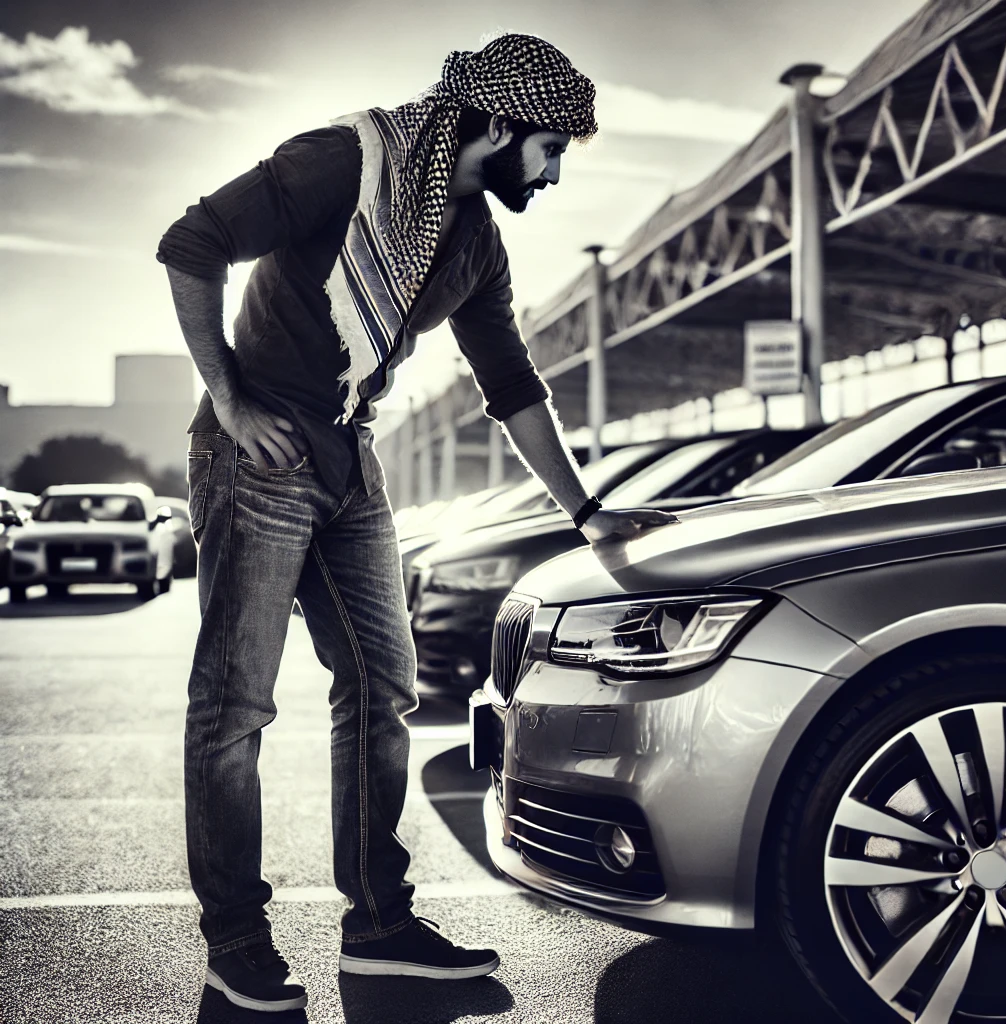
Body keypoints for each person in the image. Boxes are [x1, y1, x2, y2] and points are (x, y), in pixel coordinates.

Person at [158, 32, 675, 1013]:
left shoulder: (476, 240)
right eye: (553, 147)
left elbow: (512, 386)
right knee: (236, 709)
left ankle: (380, 926)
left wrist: (590, 512)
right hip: (255, 457)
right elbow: (191, 243)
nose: (557, 171)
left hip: (349, 465)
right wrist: (227, 399)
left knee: (383, 688)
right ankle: (235, 939)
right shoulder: (344, 161)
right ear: (498, 124)